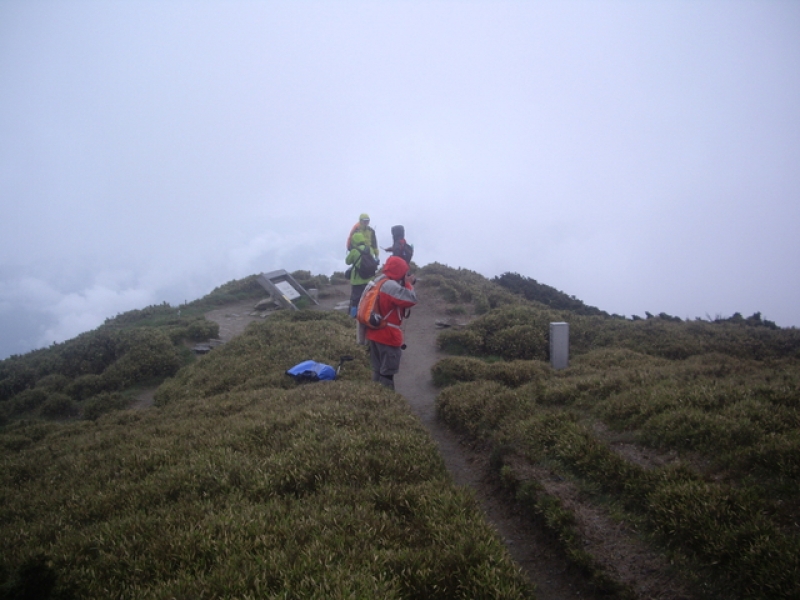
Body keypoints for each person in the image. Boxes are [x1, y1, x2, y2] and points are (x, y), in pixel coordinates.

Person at [365, 255, 417, 390]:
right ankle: (387, 404)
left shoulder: (379, 281)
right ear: (399, 271)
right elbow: (411, 299)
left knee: (377, 371)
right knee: (387, 374)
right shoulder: (391, 286)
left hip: (374, 333)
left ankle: (374, 399)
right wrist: (408, 284)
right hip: (387, 336)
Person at [345, 232, 373, 317]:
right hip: (369, 280)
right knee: (368, 299)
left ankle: (354, 318)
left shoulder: (354, 251)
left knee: (355, 301)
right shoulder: (370, 249)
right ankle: (367, 316)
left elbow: (347, 261)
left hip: (357, 281)